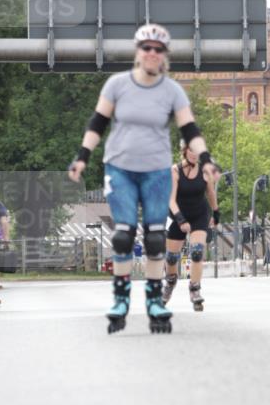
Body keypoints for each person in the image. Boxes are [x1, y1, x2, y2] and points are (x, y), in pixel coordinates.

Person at [67, 23, 217, 333]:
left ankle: (153, 301)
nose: (151, 53)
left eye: (158, 49)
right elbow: (98, 121)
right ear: (138, 52)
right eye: (146, 48)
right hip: (120, 168)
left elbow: (190, 129)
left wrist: (206, 159)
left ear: (164, 56)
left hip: (157, 171)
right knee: (123, 234)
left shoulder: (172, 90)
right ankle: (121, 299)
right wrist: (83, 156)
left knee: (153, 237)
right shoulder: (117, 85)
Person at [162, 140, 220, 310]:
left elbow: (210, 193)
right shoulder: (175, 171)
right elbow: (171, 200)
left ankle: (195, 289)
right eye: (192, 151)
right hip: (178, 215)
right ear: (185, 151)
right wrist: (180, 219)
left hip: (199, 215)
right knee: (172, 257)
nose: (195, 154)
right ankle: (170, 283)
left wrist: (216, 212)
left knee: (197, 252)